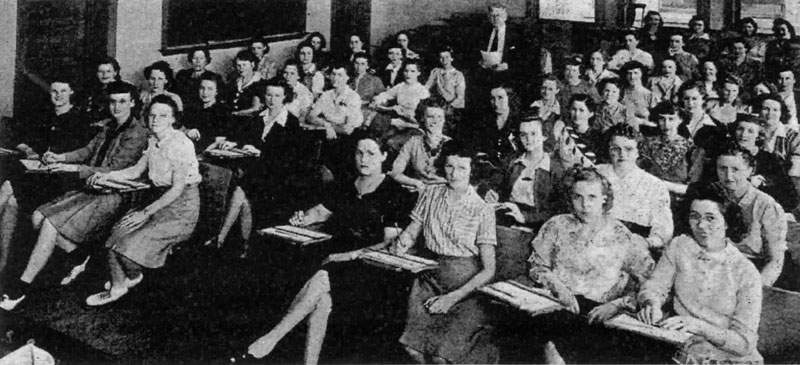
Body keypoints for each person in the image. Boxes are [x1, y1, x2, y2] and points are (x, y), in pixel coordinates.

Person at [245, 136, 415, 364]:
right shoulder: (346, 184)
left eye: (371, 153)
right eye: (359, 153)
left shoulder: (394, 192)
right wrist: (301, 218)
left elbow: (389, 242)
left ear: (385, 156)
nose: (363, 159)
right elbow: (319, 212)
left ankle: (273, 337)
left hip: (368, 263)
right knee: (322, 301)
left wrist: (350, 255)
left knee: (324, 276)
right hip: (334, 255)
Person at [0, 81, 149, 310]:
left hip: (114, 193)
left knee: (49, 224)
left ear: (132, 103)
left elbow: (116, 169)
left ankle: (22, 287)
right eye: (112, 101)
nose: (116, 107)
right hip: (92, 187)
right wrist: (61, 158)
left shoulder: (136, 134)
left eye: (122, 101)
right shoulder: (108, 127)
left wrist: (74, 169)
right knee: (37, 216)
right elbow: (87, 151)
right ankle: (79, 254)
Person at [524, 165, 655, 362]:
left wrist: (616, 305)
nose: (585, 204)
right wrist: (559, 289)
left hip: (598, 313)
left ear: (604, 198)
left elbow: (650, 282)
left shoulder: (621, 235)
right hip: (557, 304)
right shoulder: (557, 225)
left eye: (592, 197)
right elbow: (537, 266)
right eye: (578, 197)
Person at [84, 94, 201, 306]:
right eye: (152, 114)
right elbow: (135, 171)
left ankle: (133, 276)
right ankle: (119, 285)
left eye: (163, 115)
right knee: (114, 236)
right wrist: (106, 176)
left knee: (127, 249)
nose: (155, 119)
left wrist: (144, 214)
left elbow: (177, 189)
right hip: (157, 201)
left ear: (173, 119)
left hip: (181, 209)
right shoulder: (154, 140)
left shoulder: (181, 143)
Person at [389, 143, 499, 364]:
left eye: (461, 168)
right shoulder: (430, 194)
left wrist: (452, 298)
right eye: (449, 166)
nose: (454, 173)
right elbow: (412, 232)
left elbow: (489, 270)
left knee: (441, 357)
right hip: (428, 279)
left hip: (467, 289)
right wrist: (402, 243)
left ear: (472, 172)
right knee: (413, 350)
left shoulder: (482, 209)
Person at [637, 184, 763, 364]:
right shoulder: (679, 246)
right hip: (683, 346)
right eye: (694, 217)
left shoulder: (745, 271)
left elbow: (744, 344)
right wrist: (651, 304)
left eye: (710, 218)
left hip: (729, 358)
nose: (701, 225)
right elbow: (655, 287)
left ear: (727, 222)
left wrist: (700, 327)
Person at [0, 76, 94, 273]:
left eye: (63, 91)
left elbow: (82, 156)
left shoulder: (81, 121)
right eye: (54, 92)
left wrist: (58, 159)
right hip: (37, 173)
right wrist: (29, 150)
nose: (58, 96)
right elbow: (23, 138)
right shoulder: (45, 116)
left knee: (8, 188)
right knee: (11, 203)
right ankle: (3, 261)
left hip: (60, 179)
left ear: (71, 93)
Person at [205, 80, 303, 250]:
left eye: (277, 96)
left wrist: (260, 152)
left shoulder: (291, 124)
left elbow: (288, 159)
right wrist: (234, 144)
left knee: (241, 190)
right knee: (242, 196)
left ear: (285, 97)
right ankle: (244, 244)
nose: (272, 99)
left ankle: (221, 237)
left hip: (279, 176)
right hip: (256, 173)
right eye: (269, 95)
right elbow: (245, 139)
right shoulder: (258, 118)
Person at [683, 144, 787, 286]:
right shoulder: (709, 195)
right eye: (722, 169)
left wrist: (755, 290)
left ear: (750, 171)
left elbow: (775, 261)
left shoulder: (766, 206)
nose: (728, 176)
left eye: (735, 170)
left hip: (750, 273)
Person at [597, 124, 673, 249]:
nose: (622, 154)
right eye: (615, 149)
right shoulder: (597, 174)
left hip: (636, 246)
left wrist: (647, 243)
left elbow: (663, 229)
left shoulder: (654, 185)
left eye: (628, 149)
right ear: (608, 150)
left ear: (638, 151)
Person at [492, 116, 558, 228]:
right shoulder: (512, 163)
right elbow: (495, 184)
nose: (528, 139)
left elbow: (558, 211)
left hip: (537, 226)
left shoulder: (554, 169)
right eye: (523, 135)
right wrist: (492, 193)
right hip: (507, 219)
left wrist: (525, 217)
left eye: (533, 134)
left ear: (544, 136)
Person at [728, 114, 799, 212]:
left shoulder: (770, 160)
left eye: (750, 131)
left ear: (758, 135)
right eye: (740, 129)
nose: (743, 134)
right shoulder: (725, 157)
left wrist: (763, 184)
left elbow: (791, 199)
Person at [389, 100, 451, 191]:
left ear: (445, 119)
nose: (435, 121)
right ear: (423, 118)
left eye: (439, 117)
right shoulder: (413, 142)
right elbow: (395, 172)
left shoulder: (452, 144)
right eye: (430, 117)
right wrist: (415, 183)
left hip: (444, 192)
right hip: (419, 190)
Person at [639, 102, 697, 195]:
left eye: (671, 119)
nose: (666, 124)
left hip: (679, 200)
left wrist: (664, 185)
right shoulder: (648, 144)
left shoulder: (690, 148)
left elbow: (693, 188)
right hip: (650, 195)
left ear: (680, 120)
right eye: (662, 119)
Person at [369, 59, 430, 148]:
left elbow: (424, 117)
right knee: (378, 140)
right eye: (406, 71)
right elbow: (386, 95)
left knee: (391, 142)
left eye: (412, 71)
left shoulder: (422, 91)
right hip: (398, 123)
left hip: (414, 126)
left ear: (418, 73)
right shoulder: (401, 86)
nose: (408, 74)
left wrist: (405, 116)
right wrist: (378, 99)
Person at [754, 94, 800, 204]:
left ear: (781, 113)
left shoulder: (792, 136)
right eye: (766, 109)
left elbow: (795, 170)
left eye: (775, 110)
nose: (770, 113)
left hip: (784, 186)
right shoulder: (752, 132)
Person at [181, 73, 232, 151]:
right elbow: (180, 129)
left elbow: (219, 141)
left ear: (217, 91)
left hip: (209, 153)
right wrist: (187, 131)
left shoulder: (223, 112)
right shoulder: (192, 109)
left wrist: (202, 155)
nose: (205, 92)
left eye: (210, 89)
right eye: (202, 88)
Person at [552, 94, 604, 169]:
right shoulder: (564, 131)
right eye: (574, 109)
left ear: (590, 113)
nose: (577, 114)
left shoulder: (598, 138)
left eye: (581, 110)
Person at [425, 46, 466, 133]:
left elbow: (460, 97)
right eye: (441, 57)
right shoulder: (436, 72)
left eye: (447, 57)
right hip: (439, 106)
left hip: (454, 108)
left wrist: (448, 107)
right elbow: (427, 87)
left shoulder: (458, 75)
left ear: (452, 58)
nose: (444, 60)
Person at [348, 52, 385, 127]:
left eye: (362, 64)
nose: (359, 67)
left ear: (367, 66)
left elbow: (384, 99)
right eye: (356, 63)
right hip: (348, 111)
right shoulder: (348, 79)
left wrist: (374, 102)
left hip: (365, 112)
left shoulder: (374, 80)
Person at [620, 61, 657, 128]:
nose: (632, 77)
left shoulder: (649, 95)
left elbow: (655, 119)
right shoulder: (621, 92)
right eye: (629, 73)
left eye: (636, 73)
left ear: (642, 74)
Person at [228, 50, 264, 117]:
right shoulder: (234, 83)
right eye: (238, 65)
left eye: (244, 65)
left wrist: (237, 113)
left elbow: (255, 108)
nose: (241, 68)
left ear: (252, 64)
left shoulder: (260, 84)